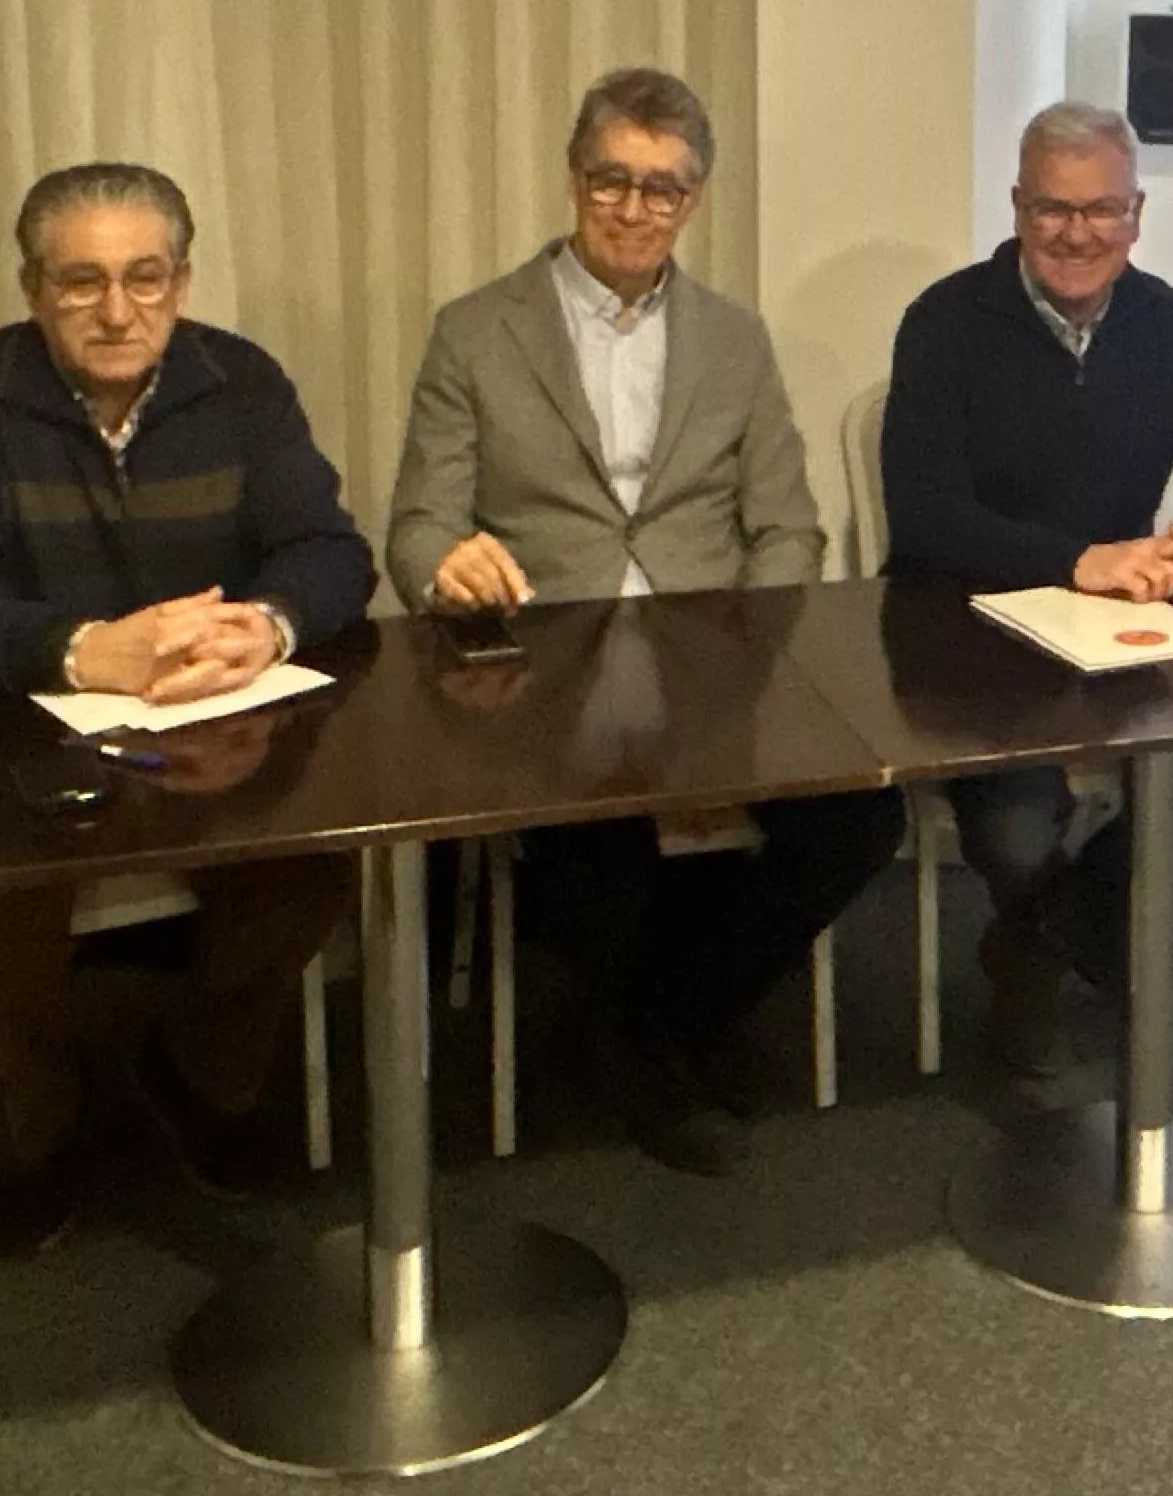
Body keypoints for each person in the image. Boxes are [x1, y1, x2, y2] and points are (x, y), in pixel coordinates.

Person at [387, 68, 904, 1173]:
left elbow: (787, 527)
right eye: (612, 181)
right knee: (600, 856)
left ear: (694, 200)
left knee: (858, 823)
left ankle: (659, 1020)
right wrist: (452, 566)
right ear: (575, 181)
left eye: (661, 189)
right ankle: (652, 1040)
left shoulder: (734, 338)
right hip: (548, 664)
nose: (634, 209)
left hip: (715, 654)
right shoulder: (477, 332)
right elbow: (420, 526)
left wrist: (752, 663)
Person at [0, 162, 375, 1253]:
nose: (117, 311)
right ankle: (45, 1114)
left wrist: (271, 623)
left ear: (183, 281)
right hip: (17, 727)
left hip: (208, 723)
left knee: (312, 868)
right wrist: (79, 647)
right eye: (82, 281)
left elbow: (333, 551)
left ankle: (205, 1071)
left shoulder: (242, 383)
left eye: (145, 278)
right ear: (31, 288)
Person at [881, 101, 1173, 1086]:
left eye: (1102, 210)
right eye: (1054, 209)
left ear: (1138, 213)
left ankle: (1042, 938)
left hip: (1120, 640)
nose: (1078, 233)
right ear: (1018, 206)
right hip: (969, 637)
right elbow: (928, 517)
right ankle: (1073, 940)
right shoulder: (944, 322)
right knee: (1018, 825)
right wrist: (1079, 557)